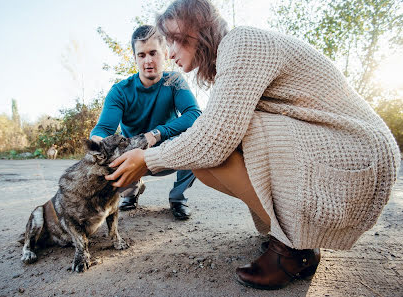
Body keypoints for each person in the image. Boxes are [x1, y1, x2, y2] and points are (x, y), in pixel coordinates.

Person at [105, 0, 401, 291]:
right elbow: (208, 139)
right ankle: (287, 233)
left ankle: (293, 248)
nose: (169, 53)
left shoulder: (242, 42)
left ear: (194, 28)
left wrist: (148, 158)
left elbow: (214, 136)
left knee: (219, 137)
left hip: (357, 149)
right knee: (204, 156)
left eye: (172, 40)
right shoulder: (230, 58)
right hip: (345, 148)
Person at [90, 25, 201, 220]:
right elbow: (104, 128)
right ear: (135, 58)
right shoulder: (120, 91)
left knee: (198, 140)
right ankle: (131, 190)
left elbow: (194, 114)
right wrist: (96, 141)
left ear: (165, 54)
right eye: (141, 55)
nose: (148, 61)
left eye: (153, 53)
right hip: (134, 157)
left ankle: (178, 198)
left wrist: (156, 133)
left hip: (169, 153)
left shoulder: (174, 81)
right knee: (107, 154)